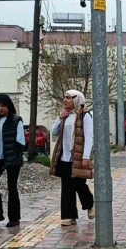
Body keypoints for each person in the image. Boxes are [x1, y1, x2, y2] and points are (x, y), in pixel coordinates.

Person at [50, 90, 95, 227]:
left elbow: (89, 137)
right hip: (65, 156)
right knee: (66, 187)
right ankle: (69, 216)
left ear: (77, 99)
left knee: (79, 184)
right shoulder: (65, 115)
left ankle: (90, 204)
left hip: (78, 156)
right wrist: (59, 118)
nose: (65, 100)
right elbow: (54, 132)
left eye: (68, 98)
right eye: (64, 97)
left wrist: (86, 156)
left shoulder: (85, 115)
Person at [0, 95, 24, 228]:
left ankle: (14, 218)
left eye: (3, 105)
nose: (0, 108)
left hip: (12, 158)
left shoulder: (16, 120)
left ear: (9, 106)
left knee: (12, 187)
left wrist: (15, 156)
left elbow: (20, 141)